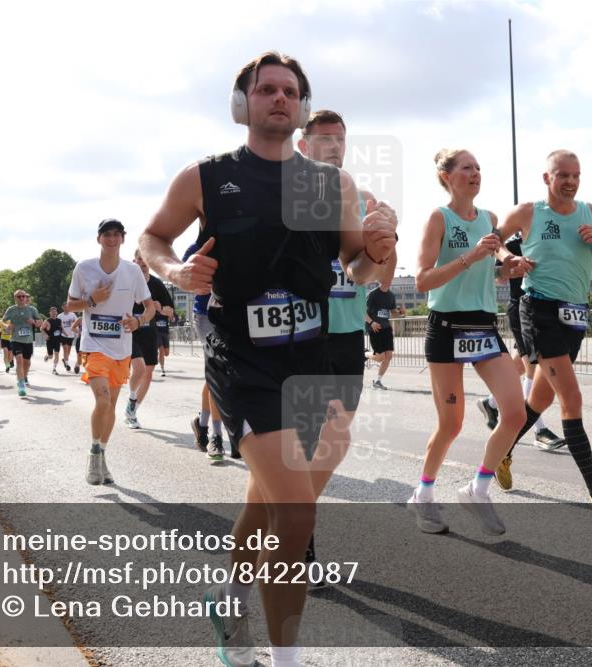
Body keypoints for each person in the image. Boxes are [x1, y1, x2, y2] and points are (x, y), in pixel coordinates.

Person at [140, 52, 396, 667]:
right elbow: (153, 239)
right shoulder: (205, 178)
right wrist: (177, 270)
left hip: (313, 359)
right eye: (267, 90)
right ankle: (287, 657)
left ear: (301, 108)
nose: (279, 98)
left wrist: (380, 249)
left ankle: (227, 592)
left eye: (290, 91)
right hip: (242, 360)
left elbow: (355, 269)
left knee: (270, 497)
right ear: (243, 104)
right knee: (296, 507)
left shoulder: (332, 185)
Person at [493, 149, 592, 519]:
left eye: (576, 175)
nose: (570, 181)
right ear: (547, 178)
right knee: (571, 398)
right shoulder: (528, 213)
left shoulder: (591, 213)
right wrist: (507, 261)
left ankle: (502, 453)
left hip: (575, 315)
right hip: (540, 310)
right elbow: (490, 242)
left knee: (539, 399)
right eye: (563, 175)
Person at [406, 149, 531, 535]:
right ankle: (423, 496)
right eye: (466, 167)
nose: (475, 173)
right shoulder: (437, 218)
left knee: (515, 413)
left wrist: (507, 267)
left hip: (482, 326)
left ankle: (477, 489)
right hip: (446, 327)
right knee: (451, 424)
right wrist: (470, 257)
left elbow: (491, 269)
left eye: (478, 166)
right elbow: (422, 280)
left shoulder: (490, 219)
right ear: (446, 176)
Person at [297, 108, 396, 585]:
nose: (335, 146)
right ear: (303, 146)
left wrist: (385, 243)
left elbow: (372, 277)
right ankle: (301, 542)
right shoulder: (287, 200)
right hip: (300, 335)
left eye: (341, 139)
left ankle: (293, 522)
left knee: (332, 443)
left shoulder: (362, 199)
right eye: (324, 139)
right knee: (309, 443)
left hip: (344, 335)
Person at [66, 218, 152, 485]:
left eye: (116, 234)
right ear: (98, 239)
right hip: (94, 346)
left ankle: (102, 453)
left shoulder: (133, 271)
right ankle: (93, 455)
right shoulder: (84, 268)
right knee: (102, 401)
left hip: (121, 349)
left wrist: (137, 321)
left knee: (112, 405)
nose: (111, 239)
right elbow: (69, 306)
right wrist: (92, 300)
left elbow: (149, 307)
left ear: (123, 239)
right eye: (106, 234)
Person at [478, 231, 566, 452]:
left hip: (545, 309)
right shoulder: (513, 245)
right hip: (522, 309)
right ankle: (539, 430)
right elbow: (497, 275)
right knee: (533, 369)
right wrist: (508, 267)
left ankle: (490, 403)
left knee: (520, 363)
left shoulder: (547, 241)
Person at [183, 240, 227, 461]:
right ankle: (216, 437)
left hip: (234, 315)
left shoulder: (240, 236)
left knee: (214, 375)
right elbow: (183, 279)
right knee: (218, 373)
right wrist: (192, 283)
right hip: (206, 316)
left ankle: (201, 424)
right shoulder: (198, 247)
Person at [123, 250, 159, 430]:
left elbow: (169, 309)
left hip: (149, 334)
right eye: (139, 260)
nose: (143, 264)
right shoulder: (125, 280)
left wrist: (161, 308)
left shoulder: (157, 284)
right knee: (139, 367)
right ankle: (131, 398)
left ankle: (132, 411)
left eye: (146, 261)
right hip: (130, 332)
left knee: (148, 373)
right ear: (134, 261)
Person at [1, 291, 43, 397]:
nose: (21, 298)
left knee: (27, 363)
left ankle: (23, 377)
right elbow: (2, 321)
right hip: (15, 339)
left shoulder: (32, 309)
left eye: (23, 296)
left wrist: (33, 322)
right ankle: (21, 385)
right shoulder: (11, 310)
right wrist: (7, 326)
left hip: (28, 341)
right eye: (19, 296)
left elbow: (40, 322)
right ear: (15, 298)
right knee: (19, 360)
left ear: (25, 298)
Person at [365, 279, 400, 389]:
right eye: (387, 278)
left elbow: (394, 313)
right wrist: (371, 322)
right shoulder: (373, 294)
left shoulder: (391, 296)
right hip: (375, 328)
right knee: (380, 357)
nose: (389, 280)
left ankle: (378, 381)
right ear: (380, 280)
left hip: (386, 328)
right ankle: (364, 354)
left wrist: (400, 312)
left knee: (388, 356)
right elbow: (362, 310)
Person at [42, 306, 65, 375]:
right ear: (50, 313)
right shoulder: (47, 321)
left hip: (57, 340)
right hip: (50, 340)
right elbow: (41, 329)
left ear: (57, 313)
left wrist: (66, 334)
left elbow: (62, 329)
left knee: (57, 354)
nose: (54, 313)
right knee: (51, 356)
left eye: (55, 312)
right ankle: (47, 355)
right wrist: (45, 335)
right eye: (52, 312)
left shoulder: (59, 320)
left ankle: (54, 369)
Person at [59, 303, 78, 372]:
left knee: (68, 351)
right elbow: (58, 325)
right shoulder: (60, 316)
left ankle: (65, 360)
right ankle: (67, 365)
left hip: (71, 335)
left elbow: (77, 322)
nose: (66, 308)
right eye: (64, 307)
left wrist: (77, 331)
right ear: (62, 307)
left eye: (67, 306)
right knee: (65, 350)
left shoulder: (72, 315)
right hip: (63, 335)